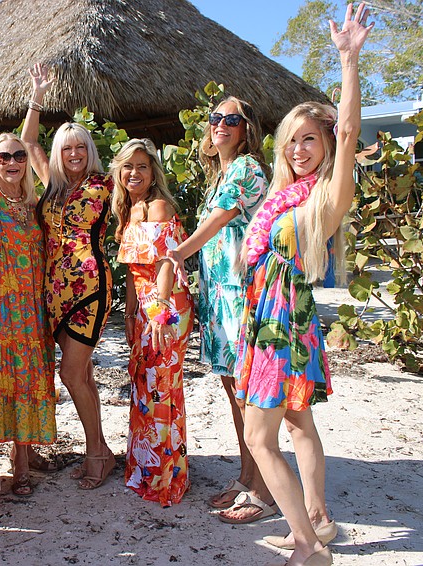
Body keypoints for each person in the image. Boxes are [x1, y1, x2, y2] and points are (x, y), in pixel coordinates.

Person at [236, 5, 372, 565]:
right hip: (265, 319)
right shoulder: (280, 196)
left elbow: (348, 127)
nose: (299, 149)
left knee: (258, 440)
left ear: (326, 145)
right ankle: (314, 521)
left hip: (284, 324)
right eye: (292, 140)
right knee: (296, 423)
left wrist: (348, 61)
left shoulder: (324, 199)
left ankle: (309, 547)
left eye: (310, 140)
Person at [166, 97, 273, 523]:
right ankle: (248, 477)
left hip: (241, 295)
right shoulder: (222, 173)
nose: (221, 125)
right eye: (216, 119)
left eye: (232, 119)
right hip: (219, 297)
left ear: (247, 129)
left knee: (248, 394)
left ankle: (264, 489)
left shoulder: (247, 169)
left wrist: (178, 253)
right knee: (233, 390)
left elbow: (219, 220)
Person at [21, 63, 115, 489]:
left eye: (80, 147)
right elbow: (26, 142)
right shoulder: (52, 185)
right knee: (84, 375)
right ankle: (104, 450)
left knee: (71, 374)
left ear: (89, 150)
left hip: (90, 288)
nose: (73, 154)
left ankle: (96, 454)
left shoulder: (107, 183)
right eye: (66, 148)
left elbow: (143, 187)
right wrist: (37, 97)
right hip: (53, 290)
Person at [0, 89, 58, 497]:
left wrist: (35, 101)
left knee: (30, 377)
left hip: (32, 307)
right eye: (4, 157)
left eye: (18, 157)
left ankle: (26, 452)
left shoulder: (34, 203)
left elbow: (33, 143)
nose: (12, 163)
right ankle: (16, 465)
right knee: (3, 379)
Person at [112, 139, 194, 506]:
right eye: (129, 166)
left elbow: (164, 263)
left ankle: (165, 480)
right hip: (145, 309)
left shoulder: (158, 205)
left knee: (160, 388)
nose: (134, 173)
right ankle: (149, 469)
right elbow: (134, 272)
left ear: (153, 172)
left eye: (142, 166)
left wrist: (159, 312)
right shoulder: (130, 209)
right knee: (146, 388)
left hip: (166, 306)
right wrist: (130, 314)